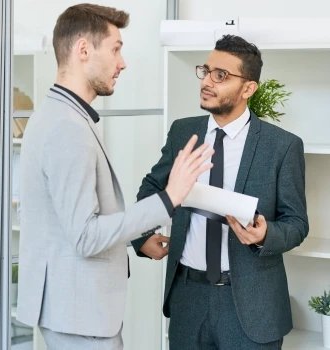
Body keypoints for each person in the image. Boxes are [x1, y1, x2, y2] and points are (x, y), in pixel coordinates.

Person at [16, 3, 214, 349]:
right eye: (116, 49)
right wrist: (168, 199)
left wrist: (136, 237)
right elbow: (86, 236)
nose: (122, 63)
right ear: (83, 50)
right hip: (81, 317)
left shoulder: (54, 114)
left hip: (71, 312)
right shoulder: (67, 127)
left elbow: (63, 223)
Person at [132, 34, 309, 350]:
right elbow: (153, 187)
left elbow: (296, 224)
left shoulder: (282, 146)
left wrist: (266, 234)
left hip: (251, 308)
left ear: (248, 89)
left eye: (221, 75)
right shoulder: (184, 131)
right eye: (206, 71)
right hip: (188, 299)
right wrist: (141, 236)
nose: (207, 82)